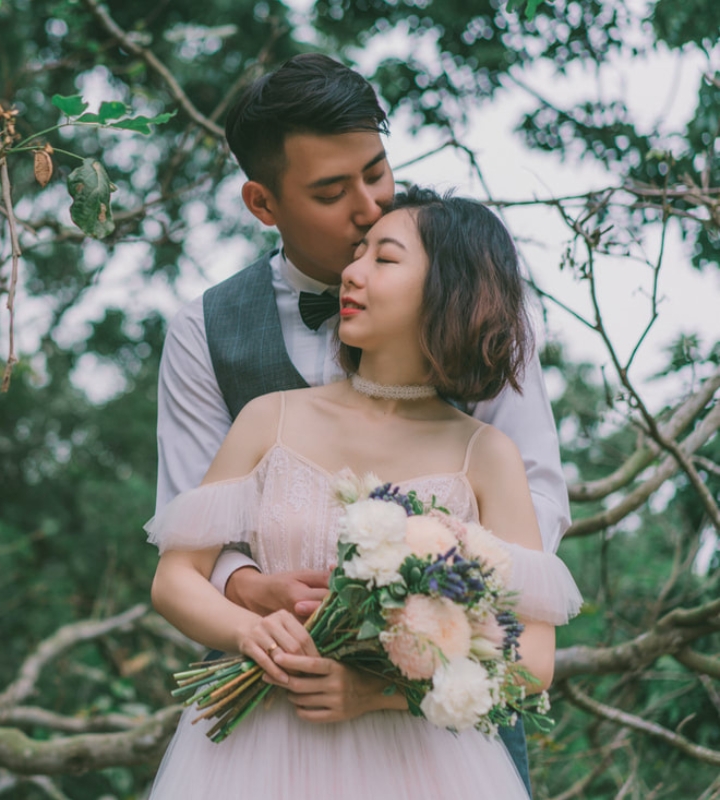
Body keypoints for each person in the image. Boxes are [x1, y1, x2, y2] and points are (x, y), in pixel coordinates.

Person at [155, 52, 570, 790]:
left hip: (441, 720)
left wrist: (419, 610)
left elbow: (533, 500)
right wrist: (253, 594)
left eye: (376, 172)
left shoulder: (466, 294)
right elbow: (187, 533)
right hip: (270, 720)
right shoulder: (206, 336)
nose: (371, 205)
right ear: (264, 203)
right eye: (331, 191)